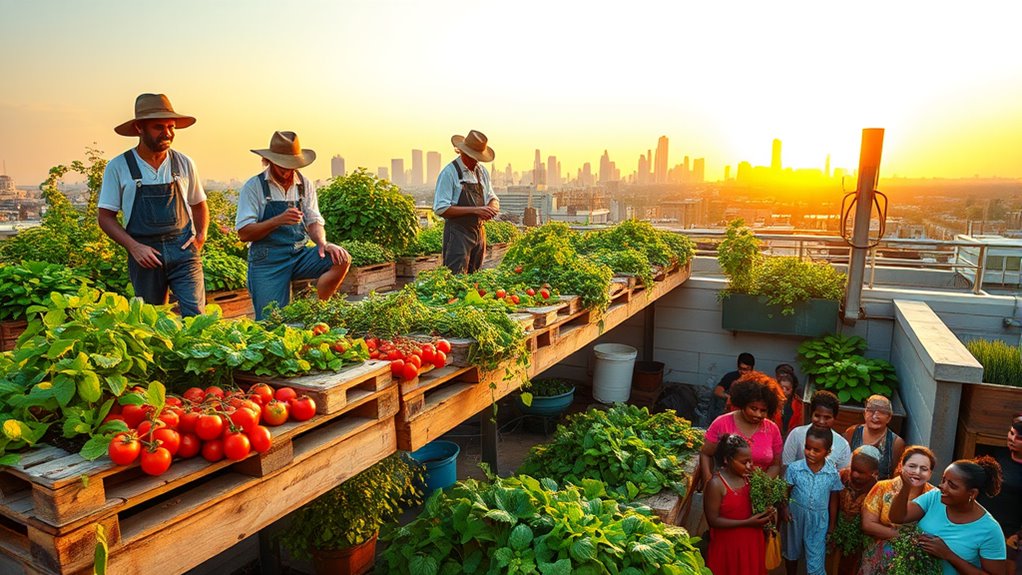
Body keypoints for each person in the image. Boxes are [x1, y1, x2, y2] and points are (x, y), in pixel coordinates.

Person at [98, 93, 208, 316]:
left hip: (183, 251)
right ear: (139, 127)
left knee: (196, 315)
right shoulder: (118, 167)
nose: (167, 133)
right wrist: (133, 247)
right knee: (152, 318)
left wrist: (200, 236)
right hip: (145, 254)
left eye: (171, 126)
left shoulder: (184, 163)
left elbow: (199, 203)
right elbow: (105, 217)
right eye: (159, 127)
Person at [236, 131, 350, 320]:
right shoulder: (254, 187)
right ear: (268, 161)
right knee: (271, 321)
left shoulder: (304, 184)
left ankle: (318, 311)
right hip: (267, 261)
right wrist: (278, 220)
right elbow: (244, 233)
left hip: (298, 254)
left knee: (341, 258)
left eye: (291, 166)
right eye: (282, 166)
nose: (287, 172)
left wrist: (323, 243)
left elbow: (314, 220)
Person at [889, 456, 1007, 575]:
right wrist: (906, 487)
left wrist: (948, 555)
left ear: (972, 493)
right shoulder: (935, 497)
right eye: (943, 480)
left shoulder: (990, 530)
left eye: (952, 485)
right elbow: (898, 517)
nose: (942, 486)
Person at [859, 445, 938, 575]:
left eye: (924, 469)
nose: (917, 472)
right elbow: (868, 524)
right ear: (901, 466)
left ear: (930, 474)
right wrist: (905, 537)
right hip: (879, 556)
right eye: (912, 466)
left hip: (917, 560)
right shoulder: (883, 487)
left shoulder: (934, 496)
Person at [704, 433, 774, 575]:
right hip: (729, 548)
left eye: (751, 461)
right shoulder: (716, 485)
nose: (749, 466)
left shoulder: (750, 479)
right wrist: (747, 522)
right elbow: (713, 520)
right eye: (743, 462)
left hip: (752, 543)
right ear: (727, 459)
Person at [700, 372, 785, 487]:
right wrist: (708, 482)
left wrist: (762, 485)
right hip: (724, 490)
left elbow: (775, 465)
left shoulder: (772, 429)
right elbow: (706, 454)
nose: (758, 414)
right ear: (743, 404)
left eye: (763, 410)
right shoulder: (722, 423)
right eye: (753, 408)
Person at [432, 129, 499, 274]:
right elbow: (441, 208)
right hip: (458, 234)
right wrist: (476, 210)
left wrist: (492, 207)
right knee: (456, 278)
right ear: (462, 152)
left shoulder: (482, 172)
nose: (476, 160)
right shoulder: (450, 173)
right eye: (473, 156)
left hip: (479, 232)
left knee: (475, 277)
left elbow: (492, 197)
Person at [783, 426, 844, 575]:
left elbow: (834, 500)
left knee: (816, 560)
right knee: (791, 551)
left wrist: (831, 525)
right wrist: (784, 508)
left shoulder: (832, 473)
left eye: (816, 450)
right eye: (807, 448)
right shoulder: (794, 469)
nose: (810, 453)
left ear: (827, 452)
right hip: (795, 517)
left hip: (819, 520)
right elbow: (785, 490)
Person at [978, 413, 1022, 575]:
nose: (1012, 439)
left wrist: (1017, 535)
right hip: (981, 522)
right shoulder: (997, 454)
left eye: (1019, 438)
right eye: (1011, 433)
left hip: (1008, 534)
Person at [829, 445, 881, 575]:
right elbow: (833, 500)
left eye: (861, 472)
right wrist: (832, 527)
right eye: (853, 469)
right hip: (838, 531)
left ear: (874, 473)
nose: (855, 474)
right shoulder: (842, 476)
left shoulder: (878, 489)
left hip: (860, 539)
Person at [782, 390, 852, 470]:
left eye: (827, 417)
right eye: (817, 416)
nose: (821, 421)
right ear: (811, 414)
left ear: (835, 418)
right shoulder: (797, 434)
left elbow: (842, 475)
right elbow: (786, 466)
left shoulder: (842, 445)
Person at [843, 395, 905, 480]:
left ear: (889, 417)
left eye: (882, 412)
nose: (875, 416)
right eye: (871, 411)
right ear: (864, 414)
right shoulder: (852, 432)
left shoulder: (896, 442)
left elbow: (896, 475)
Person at [710, 352, 755, 420]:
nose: (743, 372)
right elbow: (717, 391)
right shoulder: (731, 376)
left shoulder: (756, 379)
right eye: (741, 369)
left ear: (752, 368)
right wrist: (730, 398)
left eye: (746, 369)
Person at [774, 365, 803, 437]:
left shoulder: (798, 403)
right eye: (781, 388)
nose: (784, 391)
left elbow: (800, 424)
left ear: (792, 389)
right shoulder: (772, 401)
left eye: (787, 389)